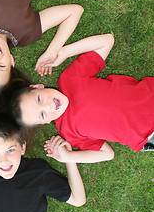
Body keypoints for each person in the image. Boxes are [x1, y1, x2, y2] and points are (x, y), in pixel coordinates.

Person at [11, 34, 154, 164]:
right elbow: (107, 154)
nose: (48, 106)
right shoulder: (68, 132)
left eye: (39, 99)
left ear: (38, 87)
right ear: (46, 122)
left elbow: (107, 41)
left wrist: (64, 53)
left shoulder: (70, 79)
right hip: (148, 134)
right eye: (42, 114)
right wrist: (68, 157)